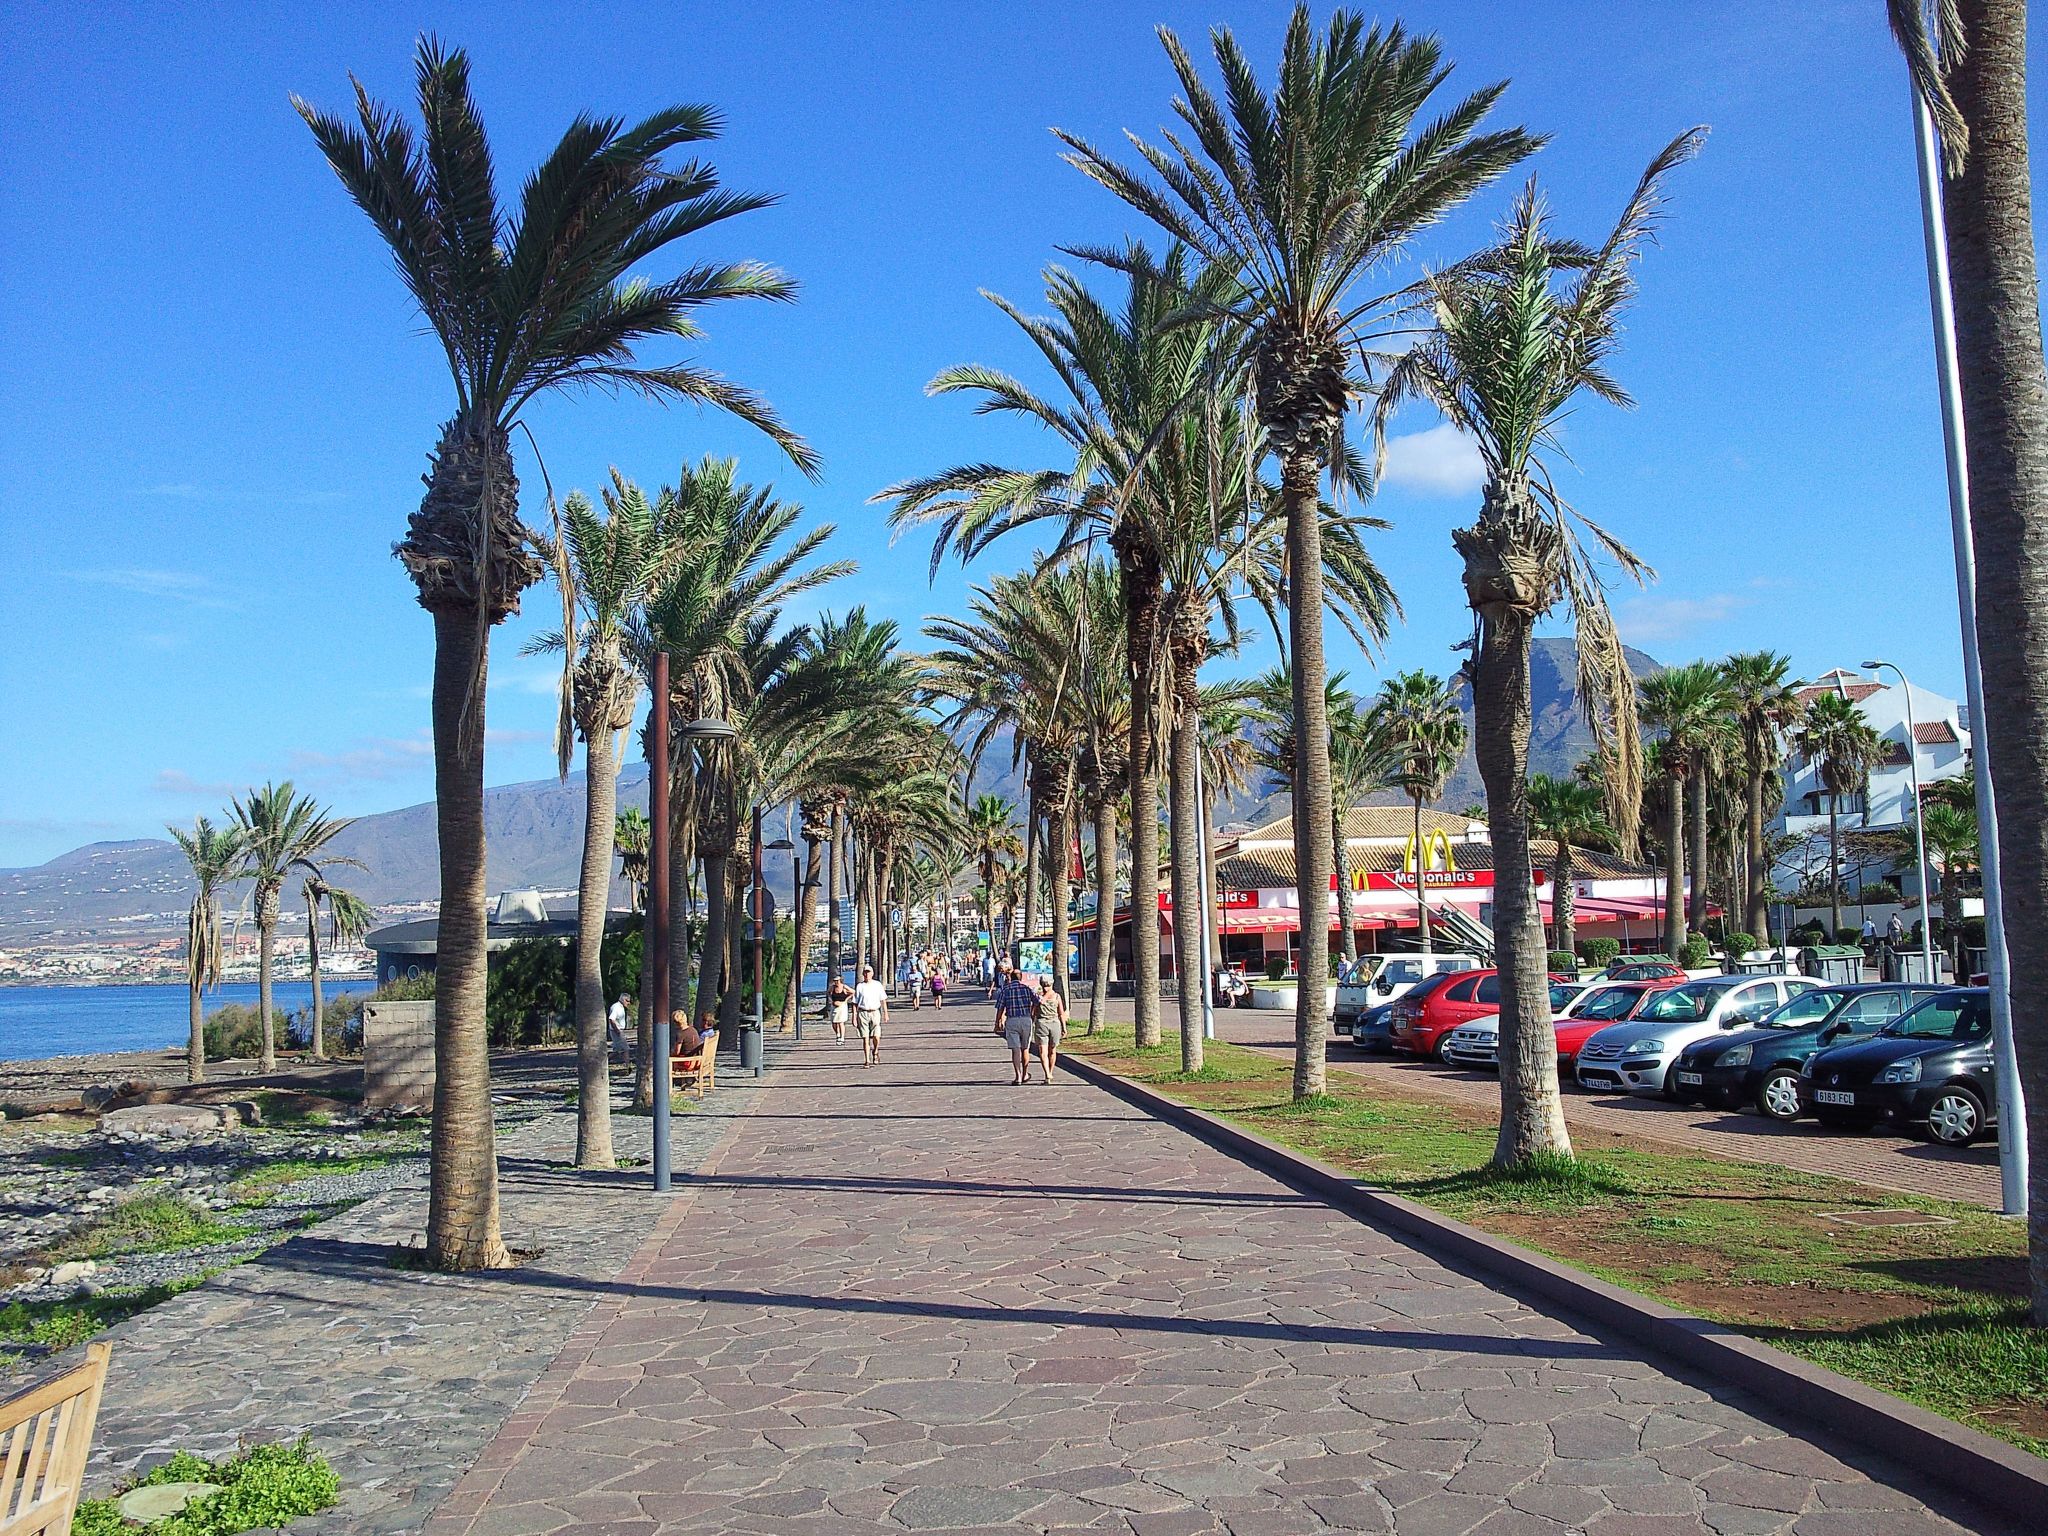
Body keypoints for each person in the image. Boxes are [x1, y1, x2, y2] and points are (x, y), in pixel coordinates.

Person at [992, 965, 1038, 1086]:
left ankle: (1018, 1076)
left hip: (1012, 1020)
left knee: (1015, 1049)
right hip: (1026, 1019)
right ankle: (1025, 1074)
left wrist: (997, 1022)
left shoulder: (1006, 989)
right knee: (1025, 1048)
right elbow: (1038, 1001)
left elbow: (1000, 1007)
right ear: (1021, 978)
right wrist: (1032, 1012)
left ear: (1011, 978)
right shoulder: (1027, 988)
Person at [1031, 975, 1067, 1085]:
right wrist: (1064, 1027)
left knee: (1047, 1050)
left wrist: (1064, 1027)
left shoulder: (1042, 997)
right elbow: (1061, 1013)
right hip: (1050, 1023)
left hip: (1046, 1023)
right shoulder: (1054, 996)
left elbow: (1033, 1012)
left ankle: (1048, 1073)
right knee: (1048, 1050)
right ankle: (1048, 1073)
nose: (1046, 987)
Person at [851, 963, 889, 1067]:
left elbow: (883, 1000)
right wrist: (854, 1017)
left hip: (875, 1012)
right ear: (863, 974)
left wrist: (886, 1013)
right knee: (865, 1037)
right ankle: (867, 1060)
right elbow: (854, 1002)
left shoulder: (877, 985)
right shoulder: (860, 986)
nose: (867, 974)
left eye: (868, 972)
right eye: (865, 972)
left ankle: (875, 1051)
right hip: (863, 1012)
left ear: (872, 973)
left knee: (876, 1036)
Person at [826, 973, 854, 1045]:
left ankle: (842, 1037)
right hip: (834, 1006)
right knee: (834, 1022)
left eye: (837, 981)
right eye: (835, 981)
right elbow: (828, 993)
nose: (836, 982)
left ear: (840, 980)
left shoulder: (844, 987)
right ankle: (837, 1034)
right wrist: (831, 1000)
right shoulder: (832, 987)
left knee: (841, 1022)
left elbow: (853, 992)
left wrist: (846, 1000)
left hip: (842, 1006)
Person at [607, 993, 632, 1061]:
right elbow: (611, 1019)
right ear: (623, 1000)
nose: (629, 1003)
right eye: (627, 1001)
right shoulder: (616, 1007)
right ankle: (627, 1065)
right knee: (626, 1049)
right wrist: (617, 1030)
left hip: (618, 1031)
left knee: (617, 1051)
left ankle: (604, 1062)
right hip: (617, 1031)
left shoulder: (620, 1007)